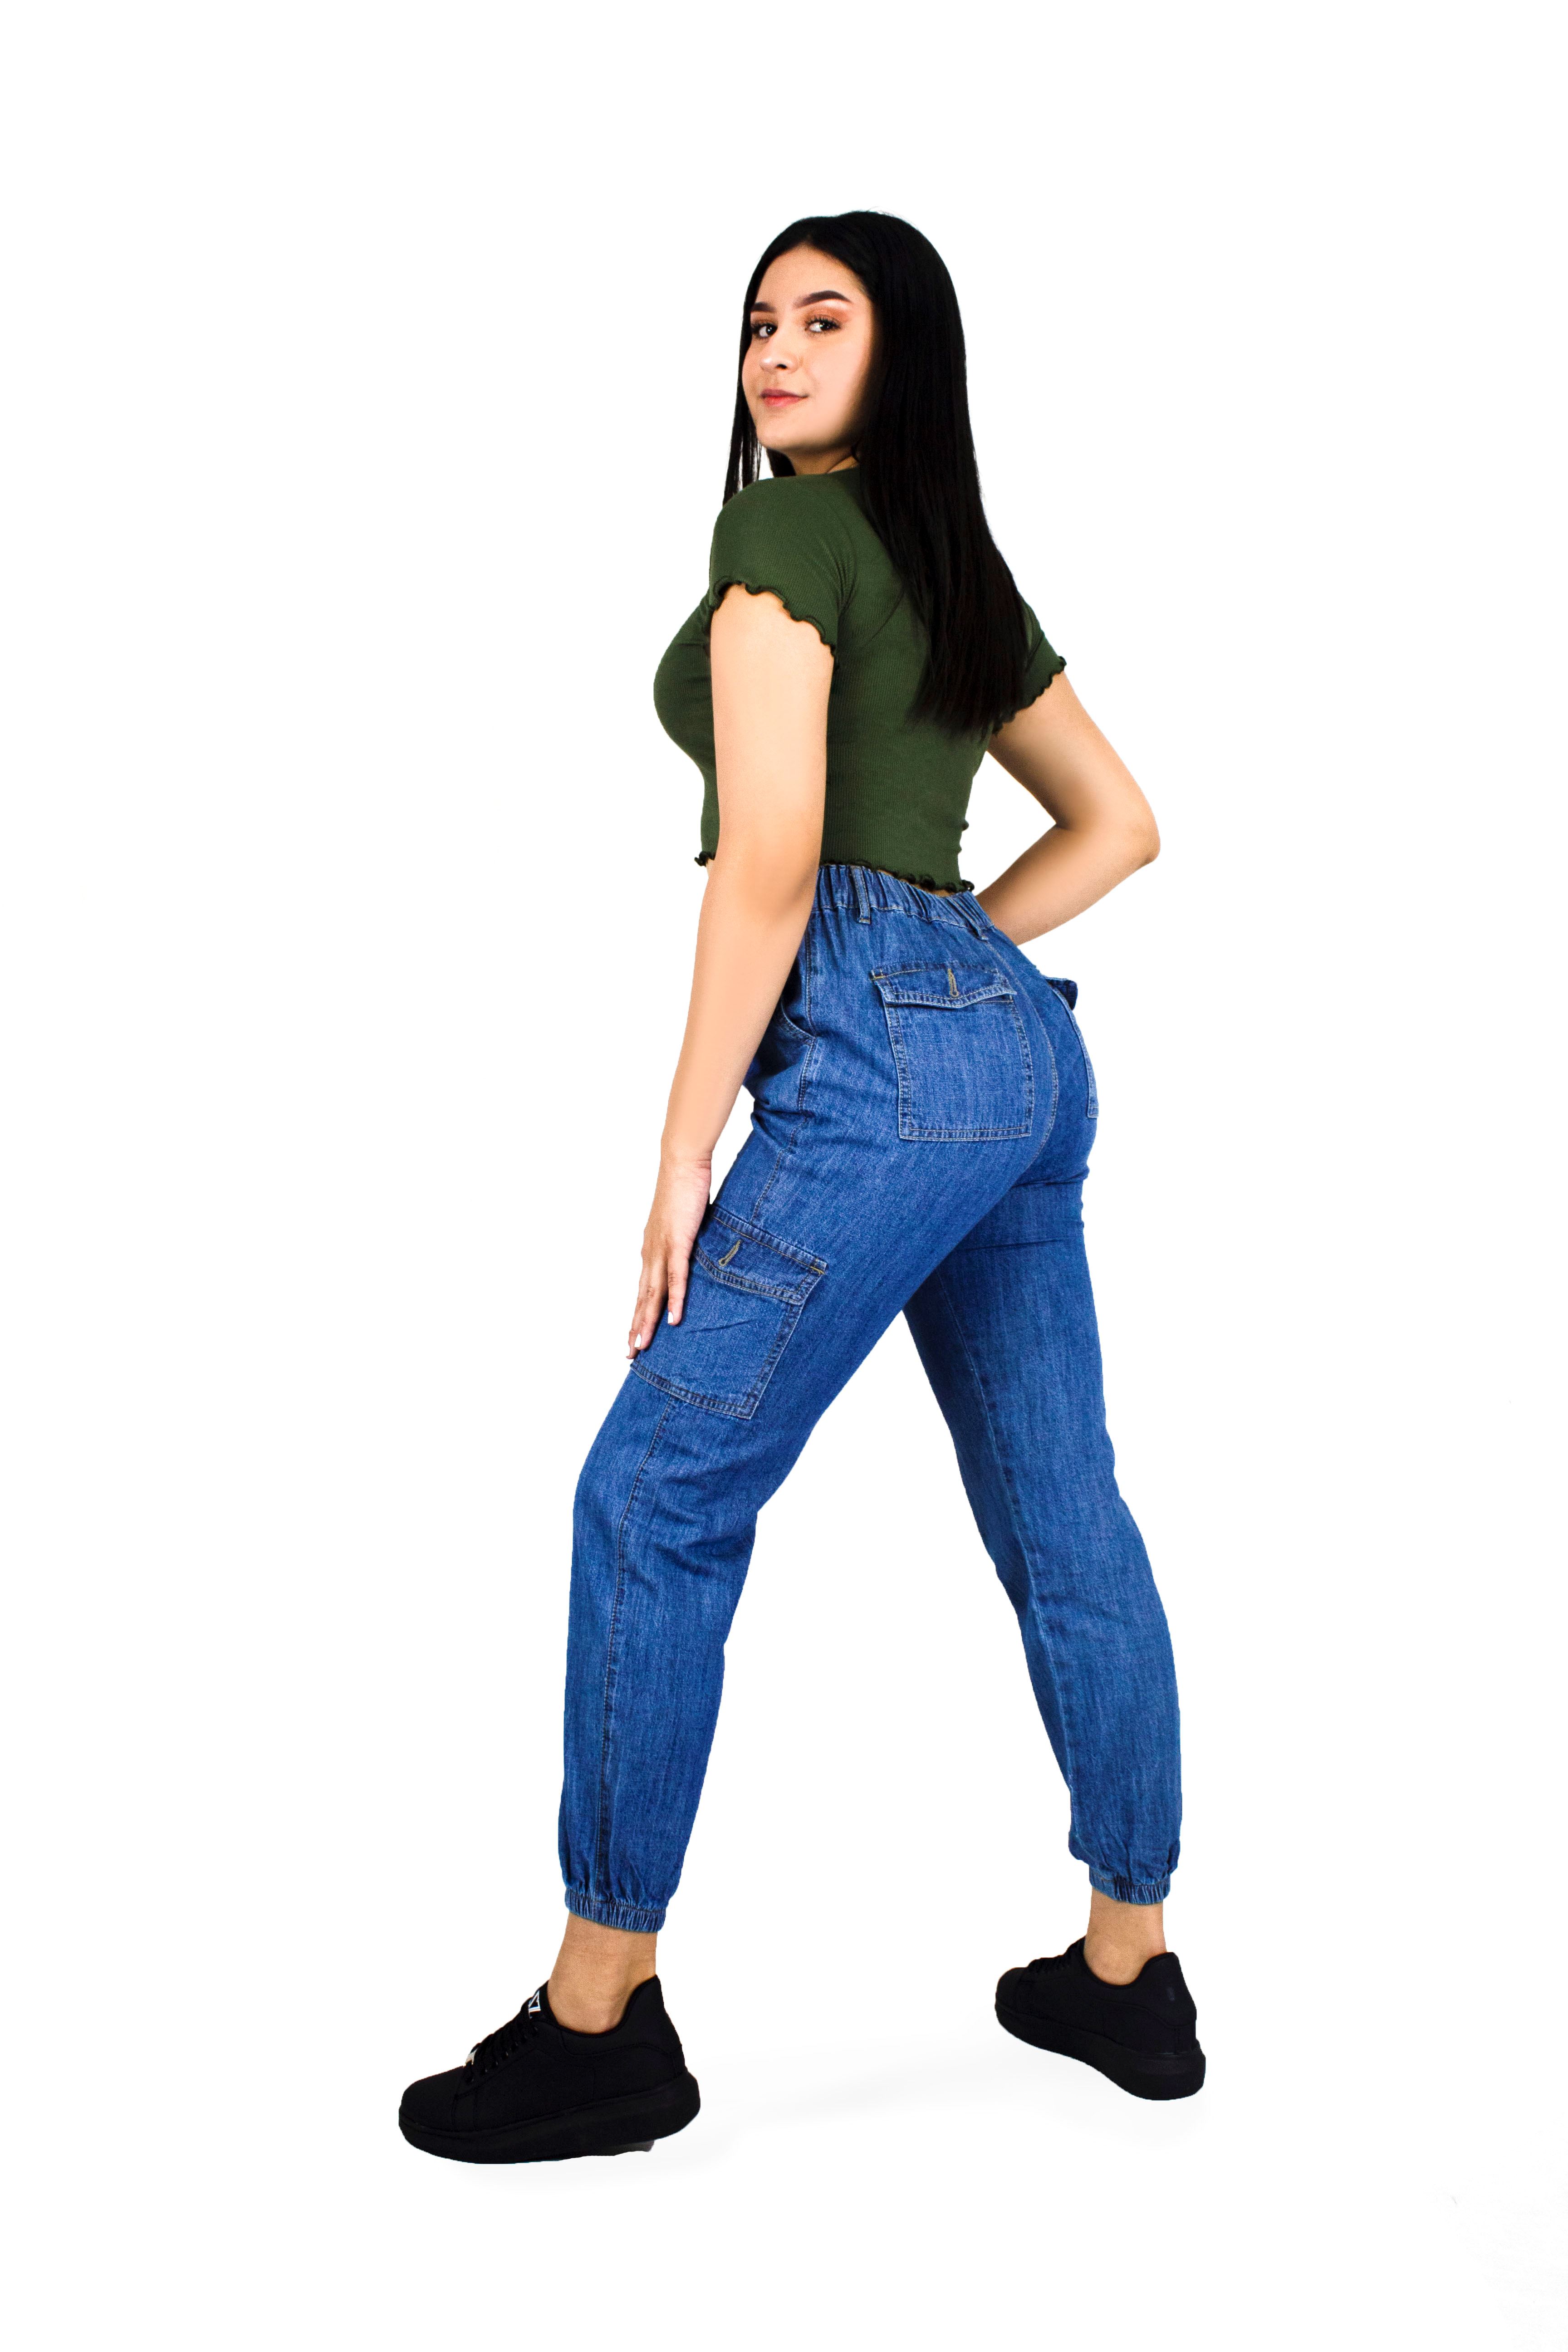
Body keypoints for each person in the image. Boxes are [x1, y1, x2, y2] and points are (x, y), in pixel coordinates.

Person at [399, 210, 1204, 2166]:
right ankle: (1130, 1968)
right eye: (761, 319)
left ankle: (600, 2021)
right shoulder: (952, 564)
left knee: (654, 1493)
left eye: (824, 319)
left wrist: (684, 1146)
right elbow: (1117, 826)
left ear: (900, 351)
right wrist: (964, 972)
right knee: (1062, 1505)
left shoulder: (783, 536)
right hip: (1017, 1053)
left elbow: (769, 861)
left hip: (879, 1062)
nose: (776, 349)